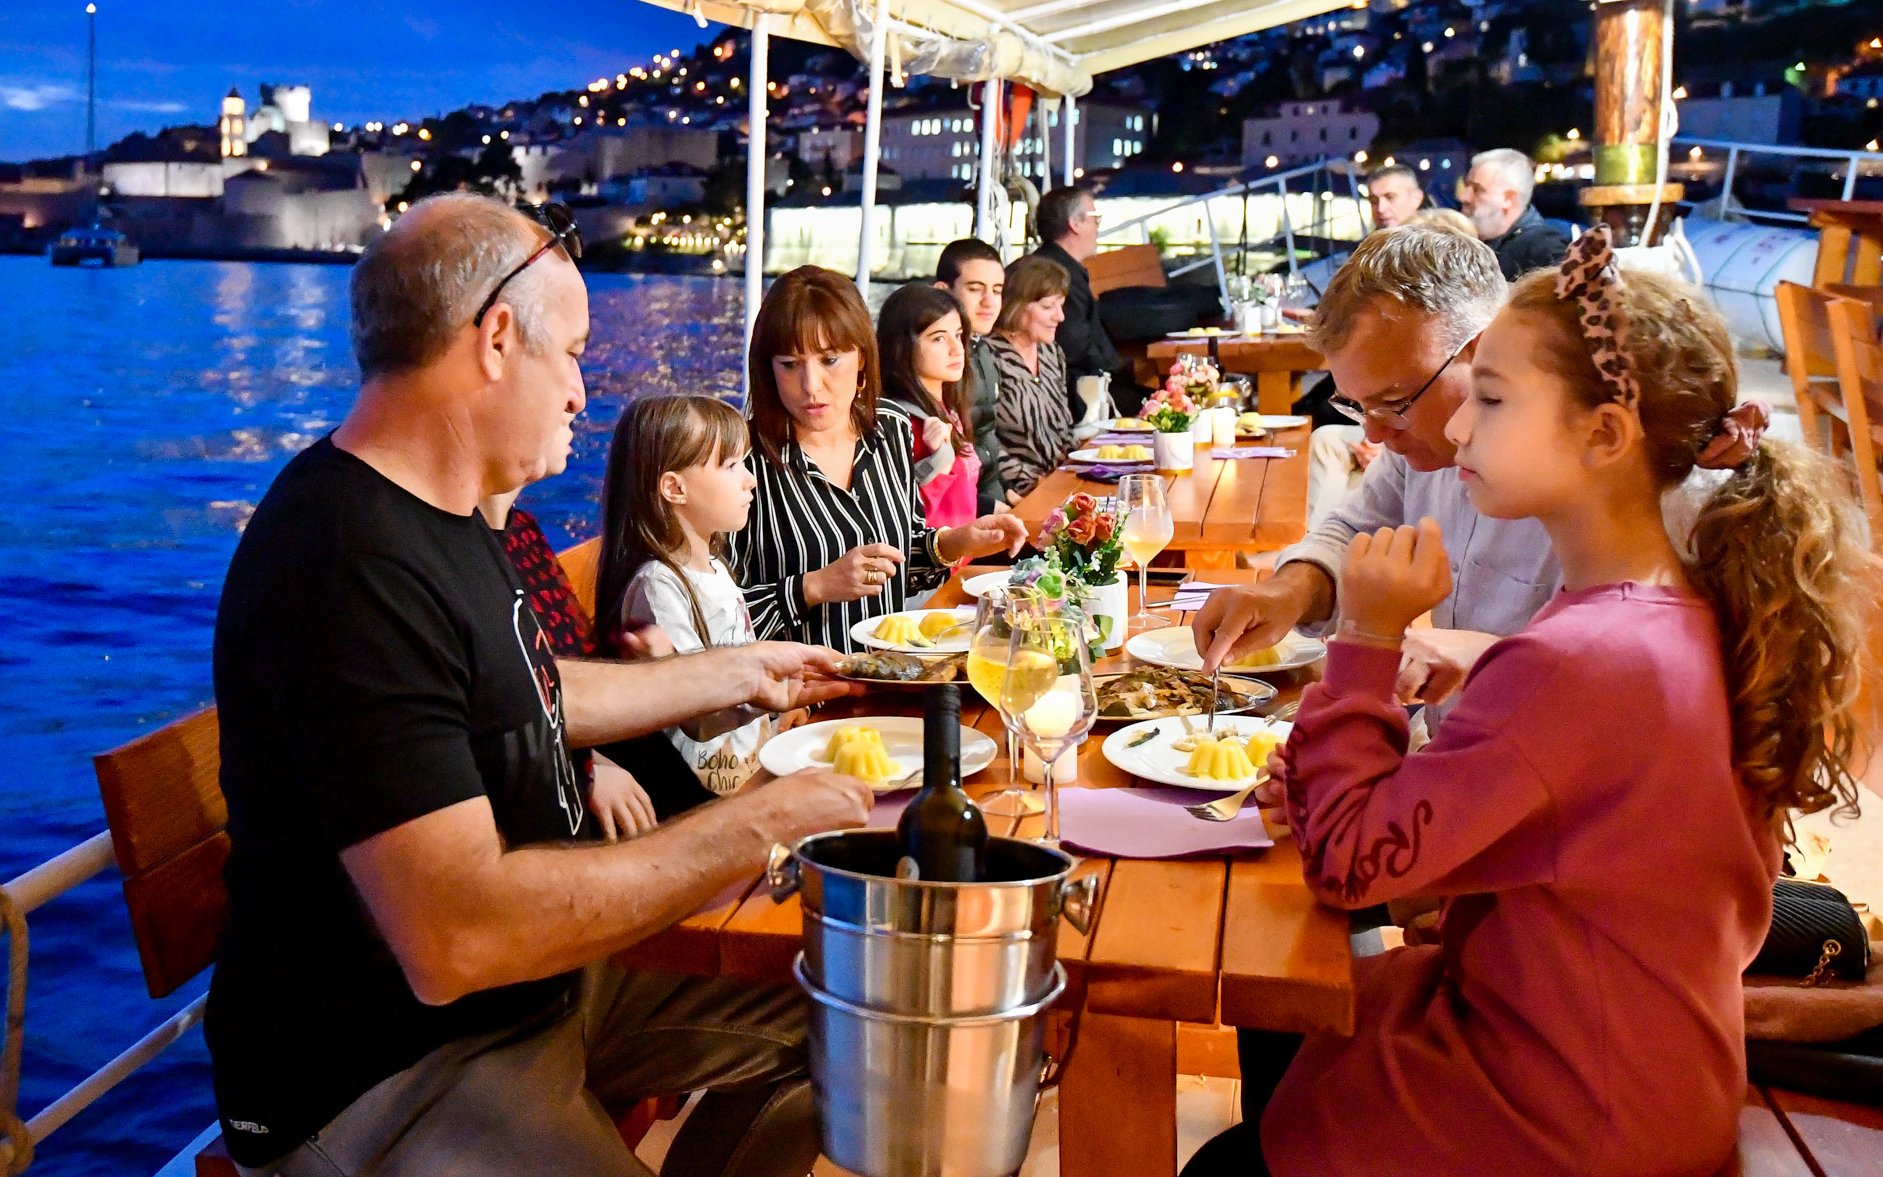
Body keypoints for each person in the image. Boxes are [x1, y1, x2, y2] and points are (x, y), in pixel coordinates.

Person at [1187, 227, 1880, 1177]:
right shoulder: (1673, 609)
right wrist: (1337, 779)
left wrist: (1367, 642)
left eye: (1494, 398)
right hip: (1646, 1061)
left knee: (1254, 1104)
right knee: (1311, 1005)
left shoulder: (1575, 655)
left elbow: (1351, 868)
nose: (1462, 428)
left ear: (1603, 434)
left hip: (1569, 1114)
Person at [208, 193, 875, 1177]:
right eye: (568, 354)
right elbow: (456, 936)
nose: (577, 392)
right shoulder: (343, 562)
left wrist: (739, 668)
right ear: (495, 339)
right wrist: (759, 821)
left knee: (856, 1006)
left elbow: (526, 690)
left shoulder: (446, 513)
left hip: (548, 987)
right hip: (393, 1069)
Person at [1196, 224, 1541, 711]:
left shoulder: (1581, 469)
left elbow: (1649, 663)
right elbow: (1353, 530)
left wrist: (1493, 657)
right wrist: (1287, 593)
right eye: (1358, 408)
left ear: (1481, 350)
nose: (1375, 436)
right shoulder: (1422, 449)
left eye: (1395, 402)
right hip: (1443, 748)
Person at [729, 265, 1028, 651]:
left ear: (863, 360)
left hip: (890, 677)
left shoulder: (890, 427)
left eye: (830, 360)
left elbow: (902, 561)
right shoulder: (742, 459)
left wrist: (956, 542)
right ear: (768, 369)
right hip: (804, 702)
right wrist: (813, 587)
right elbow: (715, 621)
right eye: (790, 364)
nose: (811, 385)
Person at [481, 487, 714, 832]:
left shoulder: (521, 529)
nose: (569, 428)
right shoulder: (465, 553)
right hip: (573, 788)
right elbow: (495, 704)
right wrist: (589, 766)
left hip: (610, 749)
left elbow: (559, 672)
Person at [594, 394, 780, 797]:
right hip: (706, 793)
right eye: (731, 466)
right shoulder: (659, 586)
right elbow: (696, 713)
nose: (750, 479)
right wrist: (775, 696)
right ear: (674, 488)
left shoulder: (713, 565)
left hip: (749, 770)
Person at [877, 283, 982, 528]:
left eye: (957, 335)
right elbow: (903, 522)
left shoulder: (946, 408)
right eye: (938, 338)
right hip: (940, 561)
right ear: (902, 347)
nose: (957, 349)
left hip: (965, 552)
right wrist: (938, 465)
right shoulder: (902, 423)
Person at [1030, 183, 1136, 415]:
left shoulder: (1056, 267)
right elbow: (1076, 348)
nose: (1098, 226)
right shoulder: (1055, 274)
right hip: (1076, 397)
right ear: (1074, 223)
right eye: (1095, 218)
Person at [989, 254, 1078, 498]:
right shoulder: (987, 356)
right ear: (1015, 305)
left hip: (1061, 481)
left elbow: (1063, 430)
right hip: (1018, 493)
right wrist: (1035, 483)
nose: (1060, 316)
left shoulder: (1051, 351)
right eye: (1048, 307)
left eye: (1061, 305)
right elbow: (983, 442)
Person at [934, 237, 1011, 512]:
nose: (989, 301)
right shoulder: (938, 364)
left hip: (993, 497)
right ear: (943, 292)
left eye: (997, 290)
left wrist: (1007, 493)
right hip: (964, 514)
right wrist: (989, 507)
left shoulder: (983, 350)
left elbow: (986, 436)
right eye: (976, 289)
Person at [1460, 147, 1570, 280]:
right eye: (1467, 186)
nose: (1464, 197)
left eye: (1477, 189)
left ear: (1508, 198)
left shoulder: (1544, 250)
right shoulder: (1477, 241)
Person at [1364, 162, 1426, 230]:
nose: (1381, 209)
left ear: (1416, 198)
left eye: (1390, 197)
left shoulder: (1435, 239)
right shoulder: (1371, 240)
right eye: (1374, 201)